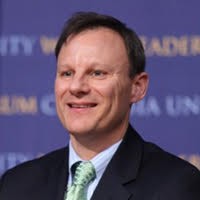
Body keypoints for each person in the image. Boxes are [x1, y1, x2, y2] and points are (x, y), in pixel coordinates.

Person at [0, 12, 199, 200]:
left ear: (136, 88)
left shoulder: (176, 187)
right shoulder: (17, 185)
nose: (76, 87)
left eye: (97, 73)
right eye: (67, 73)